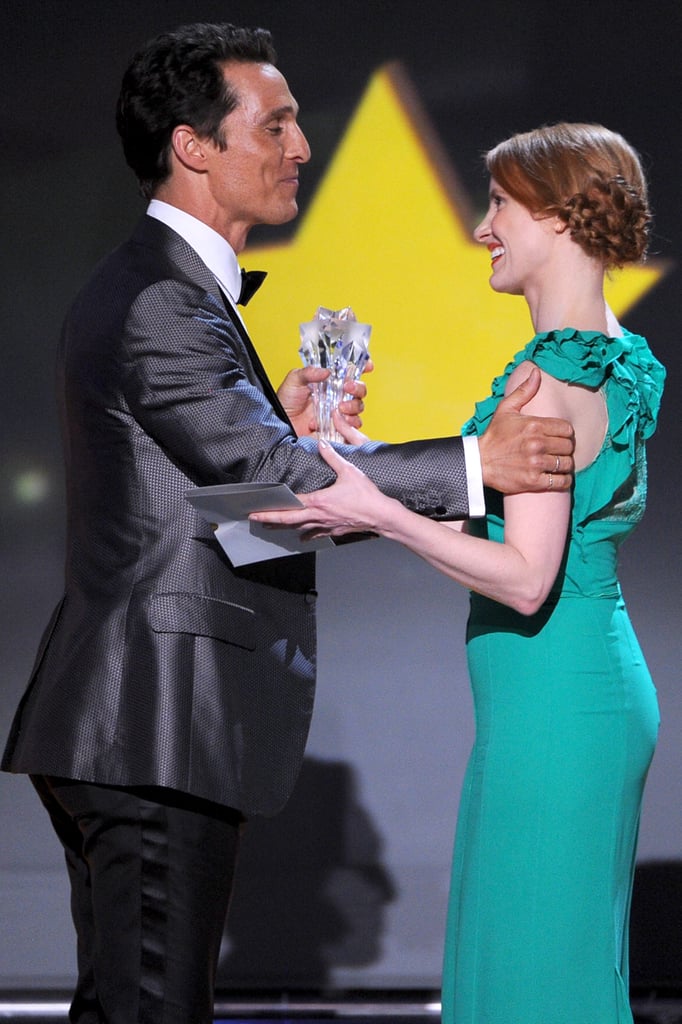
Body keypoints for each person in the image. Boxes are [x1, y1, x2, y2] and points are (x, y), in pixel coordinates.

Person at [1, 22, 575, 1024]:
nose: (300, 146)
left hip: (142, 721)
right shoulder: (158, 302)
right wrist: (480, 465)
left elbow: (224, 499)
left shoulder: (165, 291)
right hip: (149, 719)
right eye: (276, 125)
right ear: (193, 147)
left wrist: (290, 433)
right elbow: (272, 483)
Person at [252, 122, 666, 1023]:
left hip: (555, 711)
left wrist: (382, 511)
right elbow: (517, 502)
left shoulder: (550, 376)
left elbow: (524, 576)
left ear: (559, 219)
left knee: (531, 987)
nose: (484, 228)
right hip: (576, 698)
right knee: (555, 970)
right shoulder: (617, 353)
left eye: (501, 206)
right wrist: (364, 462)